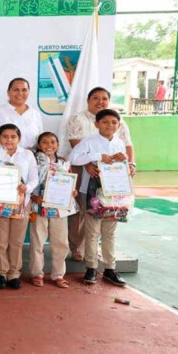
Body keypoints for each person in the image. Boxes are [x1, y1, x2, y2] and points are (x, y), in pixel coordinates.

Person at [65, 87, 134, 261]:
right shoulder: (77, 119)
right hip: (86, 169)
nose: (100, 101)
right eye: (95, 98)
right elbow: (75, 149)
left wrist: (129, 163)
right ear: (88, 100)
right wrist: (90, 162)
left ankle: (102, 256)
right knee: (82, 212)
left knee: (108, 215)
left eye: (104, 98)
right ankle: (78, 249)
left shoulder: (118, 121)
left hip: (111, 179)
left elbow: (127, 145)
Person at [0, 124, 39, 290]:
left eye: (13, 137)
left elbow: (34, 179)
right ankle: (0, 273)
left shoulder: (28, 154)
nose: (9, 140)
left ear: (19, 139)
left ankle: (14, 273)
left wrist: (27, 188)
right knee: (0, 240)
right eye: (5, 136)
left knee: (16, 240)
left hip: (22, 202)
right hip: (0, 202)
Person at [29, 132, 74, 288]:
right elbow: (28, 182)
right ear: (39, 145)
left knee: (61, 242)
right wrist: (34, 198)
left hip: (59, 208)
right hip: (38, 207)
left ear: (58, 144)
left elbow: (69, 181)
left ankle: (58, 274)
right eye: (45, 142)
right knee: (37, 242)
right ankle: (37, 274)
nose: (49, 145)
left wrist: (71, 192)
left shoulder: (64, 163)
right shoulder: (33, 161)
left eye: (53, 142)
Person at [0, 78, 44, 156]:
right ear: (8, 92)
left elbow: (41, 140)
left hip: (30, 161)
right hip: (4, 162)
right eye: (16, 90)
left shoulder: (35, 114)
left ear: (28, 92)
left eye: (24, 90)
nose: (20, 93)